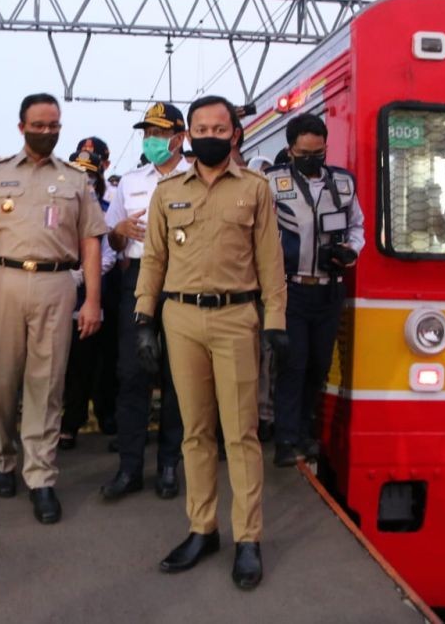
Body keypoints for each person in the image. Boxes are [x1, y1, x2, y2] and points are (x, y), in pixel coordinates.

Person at [136, 95, 288, 589]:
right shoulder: (166, 192)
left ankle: (248, 537)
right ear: (189, 133)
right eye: (200, 127)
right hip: (180, 319)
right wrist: (144, 317)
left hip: (235, 318)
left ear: (234, 135)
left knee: (240, 435)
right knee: (194, 431)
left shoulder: (256, 189)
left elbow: (270, 261)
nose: (209, 135)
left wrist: (276, 321)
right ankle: (203, 528)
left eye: (219, 129)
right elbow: (153, 260)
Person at [0, 93, 108, 524]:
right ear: (21, 126)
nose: (47, 131)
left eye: (54, 125)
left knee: (48, 382)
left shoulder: (75, 180)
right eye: (39, 125)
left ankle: (41, 476)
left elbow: (91, 242)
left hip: (56, 285)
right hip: (1, 280)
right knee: (1, 378)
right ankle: (4, 458)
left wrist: (93, 300)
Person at [101, 102, 189, 501]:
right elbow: (113, 242)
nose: (152, 141)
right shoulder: (130, 181)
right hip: (137, 282)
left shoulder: (197, 179)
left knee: (178, 379)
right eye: (147, 134)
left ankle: (169, 464)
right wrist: (119, 231)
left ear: (179, 137)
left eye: (159, 134)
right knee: (131, 374)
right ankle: (129, 467)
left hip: (183, 281)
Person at [266, 113, 364, 468]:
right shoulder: (271, 184)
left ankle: (307, 434)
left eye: (318, 151)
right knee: (293, 364)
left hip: (330, 289)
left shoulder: (343, 184)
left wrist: (351, 251)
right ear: (291, 150)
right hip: (291, 290)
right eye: (304, 152)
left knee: (319, 366)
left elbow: (357, 226)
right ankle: (285, 439)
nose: (312, 158)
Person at [60, 137, 119, 449]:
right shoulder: (59, 203)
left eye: (90, 174)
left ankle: (94, 414)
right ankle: (67, 419)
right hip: (62, 291)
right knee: (67, 361)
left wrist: (84, 275)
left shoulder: (107, 206)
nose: (85, 180)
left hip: (95, 291)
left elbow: (108, 253)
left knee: (97, 359)